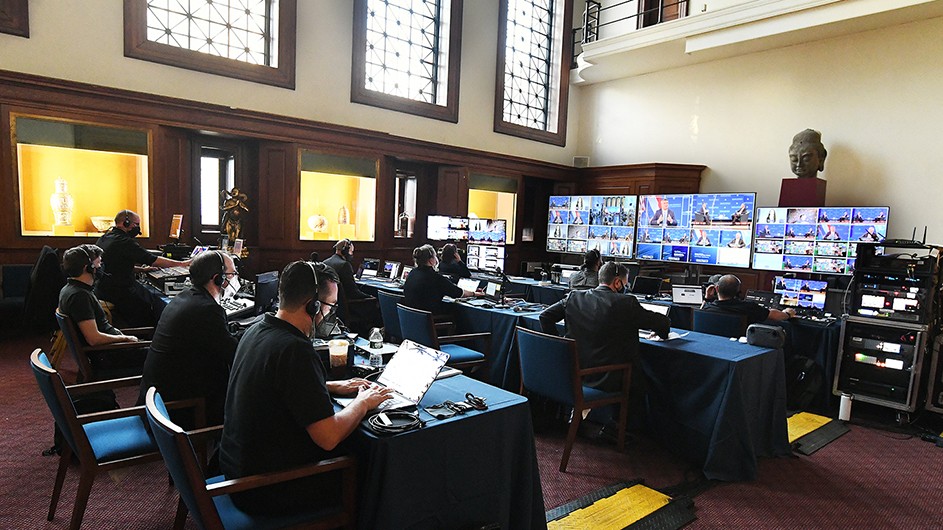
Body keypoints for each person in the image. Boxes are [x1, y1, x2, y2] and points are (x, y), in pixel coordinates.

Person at [220, 261, 392, 515]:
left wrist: (328, 386)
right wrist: (364, 402)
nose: (330, 314)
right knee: (374, 467)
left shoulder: (257, 329)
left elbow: (274, 385)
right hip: (267, 488)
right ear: (313, 305)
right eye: (330, 306)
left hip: (236, 469)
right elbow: (328, 437)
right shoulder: (295, 350)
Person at [136, 250, 239, 427]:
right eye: (232, 274)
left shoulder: (183, 297)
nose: (235, 278)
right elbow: (233, 354)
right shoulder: (208, 309)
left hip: (157, 396)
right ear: (218, 278)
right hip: (178, 409)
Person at [539, 262, 670, 392]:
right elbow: (662, 323)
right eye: (626, 284)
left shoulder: (573, 297)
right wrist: (662, 334)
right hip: (610, 378)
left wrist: (561, 348)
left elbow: (545, 317)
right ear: (617, 283)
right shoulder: (626, 303)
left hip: (574, 371)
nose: (626, 288)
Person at [57, 244, 146, 376]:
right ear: (88, 268)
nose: (101, 267)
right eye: (98, 263)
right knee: (169, 354)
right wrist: (126, 338)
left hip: (111, 350)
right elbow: (94, 339)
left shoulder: (70, 289)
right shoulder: (80, 296)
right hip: (109, 355)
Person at [95, 210, 190, 326]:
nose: (138, 228)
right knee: (152, 305)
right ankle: (149, 336)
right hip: (119, 292)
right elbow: (152, 260)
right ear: (126, 223)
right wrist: (182, 264)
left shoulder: (105, 237)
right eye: (136, 224)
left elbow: (115, 264)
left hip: (103, 289)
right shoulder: (124, 242)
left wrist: (142, 270)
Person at [403, 244, 478, 314]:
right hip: (431, 318)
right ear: (431, 260)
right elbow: (458, 293)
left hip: (413, 317)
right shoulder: (435, 278)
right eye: (435, 256)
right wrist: (475, 294)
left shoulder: (412, 273)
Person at [323, 239, 377, 333]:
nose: (352, 254)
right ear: (345, 251)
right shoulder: (344, 265)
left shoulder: (326, 262)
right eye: (351, 251)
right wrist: (370, 297)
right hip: (346, 307)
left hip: (332, 305)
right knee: (376, 303)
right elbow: (353, 293)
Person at [702, 274, 795, 324]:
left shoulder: (708, 307)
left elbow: (701, 310)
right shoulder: (748, 307)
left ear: (716, 289)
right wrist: (787, 313)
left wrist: (707, 298)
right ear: (738, 290)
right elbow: (774, 315)